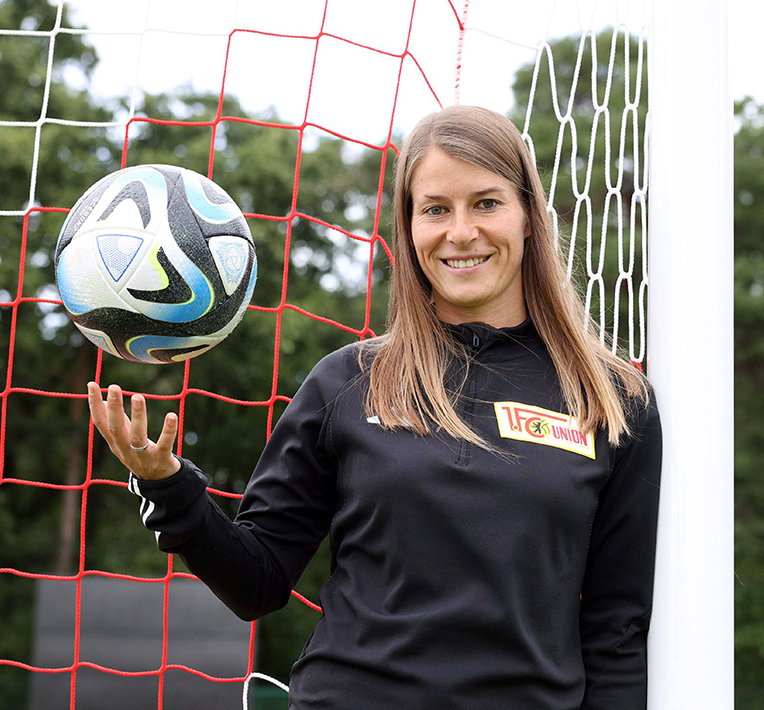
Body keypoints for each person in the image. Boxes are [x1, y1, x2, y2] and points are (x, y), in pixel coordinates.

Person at [87, 105, 662, 709]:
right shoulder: (349, 382)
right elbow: (258, 583)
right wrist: (169, 487)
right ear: (409, 226)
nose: (460, 232)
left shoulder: (612, 401)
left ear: (528, 218)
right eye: (436, 209)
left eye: (486, 203)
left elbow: (615, 634)